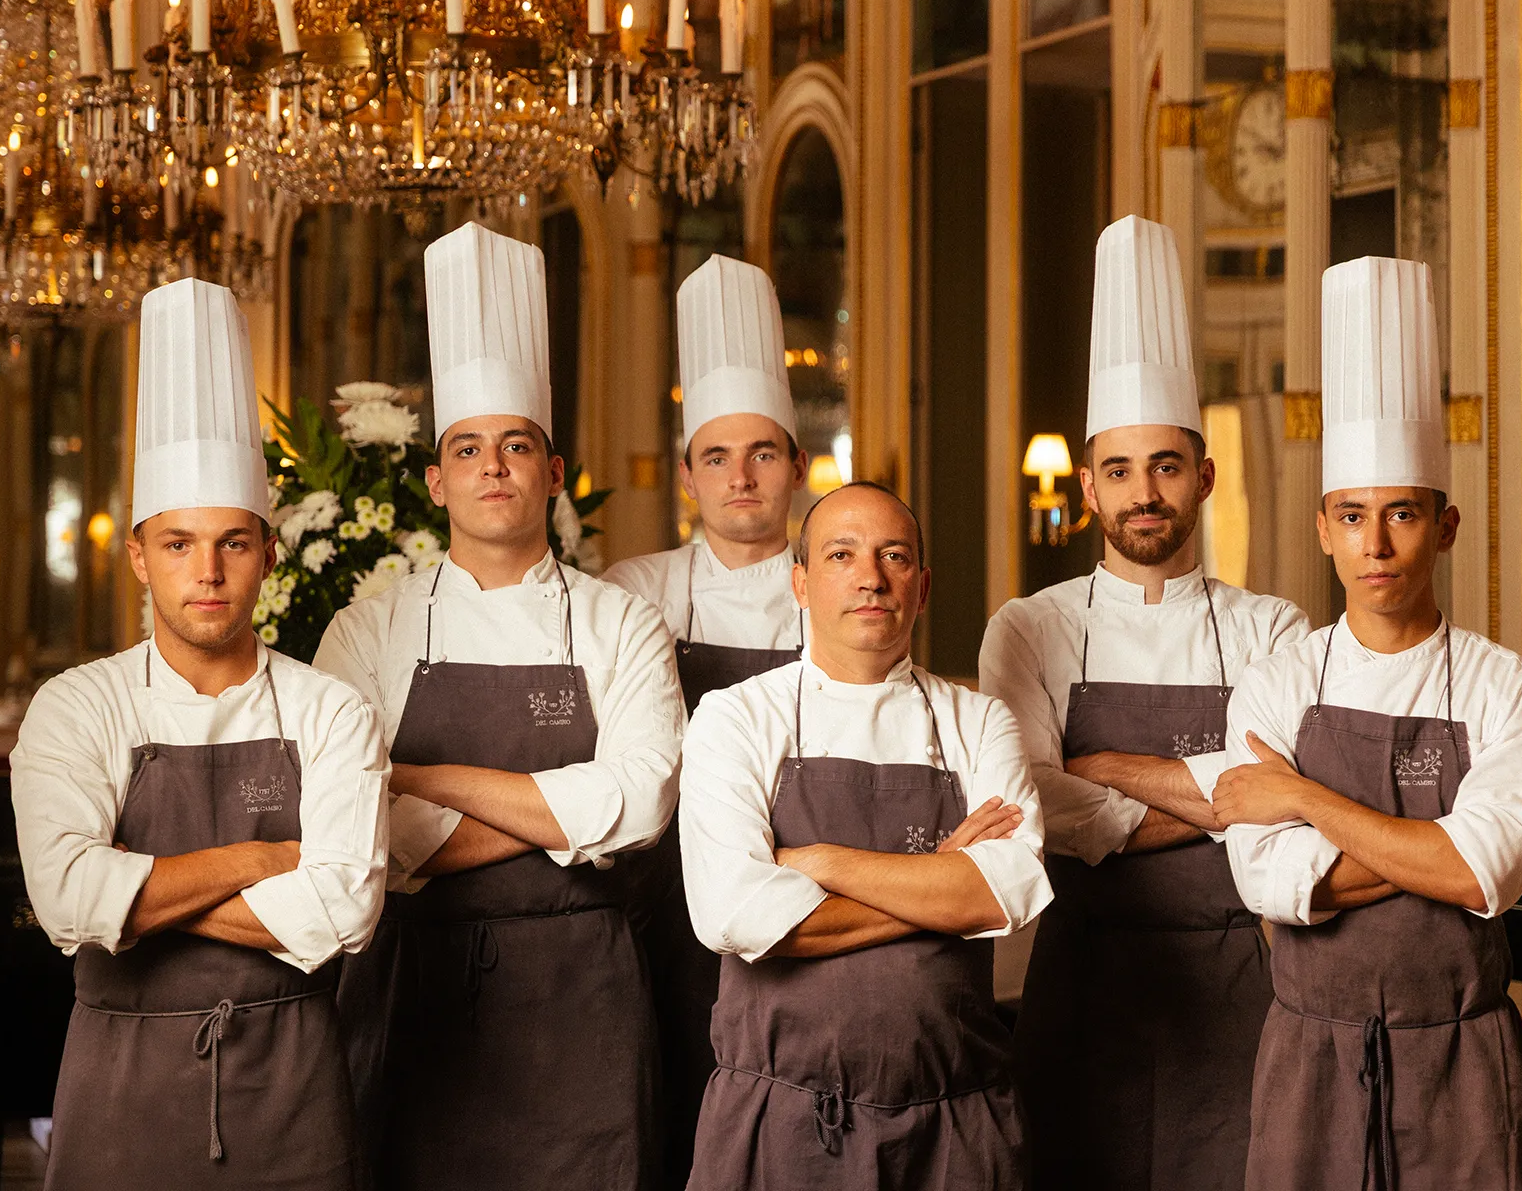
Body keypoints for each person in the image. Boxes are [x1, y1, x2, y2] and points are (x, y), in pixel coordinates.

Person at [315, 222, 683, 1191]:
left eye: (517, 445)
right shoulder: (368, 628)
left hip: (585, 999)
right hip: (413, 992)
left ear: (553, 474)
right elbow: (347, 821)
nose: (494, 465)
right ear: (436, 481)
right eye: (469, 448)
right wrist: (560, 813)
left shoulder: (620, 621)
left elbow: (642, 804)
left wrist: (421, 778)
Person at [12, 278, 388, 1191]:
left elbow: (344, 911)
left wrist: (137, 899)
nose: (207, 571)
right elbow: (65, 899)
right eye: (178, 544)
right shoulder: (77, 705)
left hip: (295, 1094)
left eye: (233, 542)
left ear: (269, 553)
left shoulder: (331, 710)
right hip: (118, 1093)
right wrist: (265, 859)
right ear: (138, 557)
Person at [1213, 256, 1522, 1190]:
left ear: (1445, 527)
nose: (1375, 545)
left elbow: (1478, 872)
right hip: (1308, 1057)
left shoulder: (1510, 690)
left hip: (1463, 1063)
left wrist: (1300, 798)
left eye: (1401, 514)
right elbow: (1267, 880)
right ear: (1323, 527)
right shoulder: (1276, 683)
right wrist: (1429, 847)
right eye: (1352, 516)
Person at [984, 215, 1311, 1190]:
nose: (1144, 493)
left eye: (1166, 466)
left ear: (1203, 478)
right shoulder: (1028, 626)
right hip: (1082, 982)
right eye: (1119, 471)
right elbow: (1028, 804)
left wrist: (1105, 771)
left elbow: (1284, 799)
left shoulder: (1274, 627)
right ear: (1088, 488)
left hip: (1238, 981)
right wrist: (1215, 798)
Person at [679, 481, 1053, 1189]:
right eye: (841, 554)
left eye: (894, 556)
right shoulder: (734, 718)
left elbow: (1006, 893)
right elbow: (736, 913)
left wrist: (819, 863)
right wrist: (941, 878)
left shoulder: (980, 722)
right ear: (800, 583)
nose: (870, 578)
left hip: (956, 1122)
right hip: (780, 1116)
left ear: (923, 586)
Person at [601, 253, 808, 1189]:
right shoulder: (634, 593)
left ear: (796, 465)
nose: (741, 478)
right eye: (717, 458)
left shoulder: (839, 590)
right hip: (661, 910)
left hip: (801, 898)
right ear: (688, 476)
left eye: (762, 453)